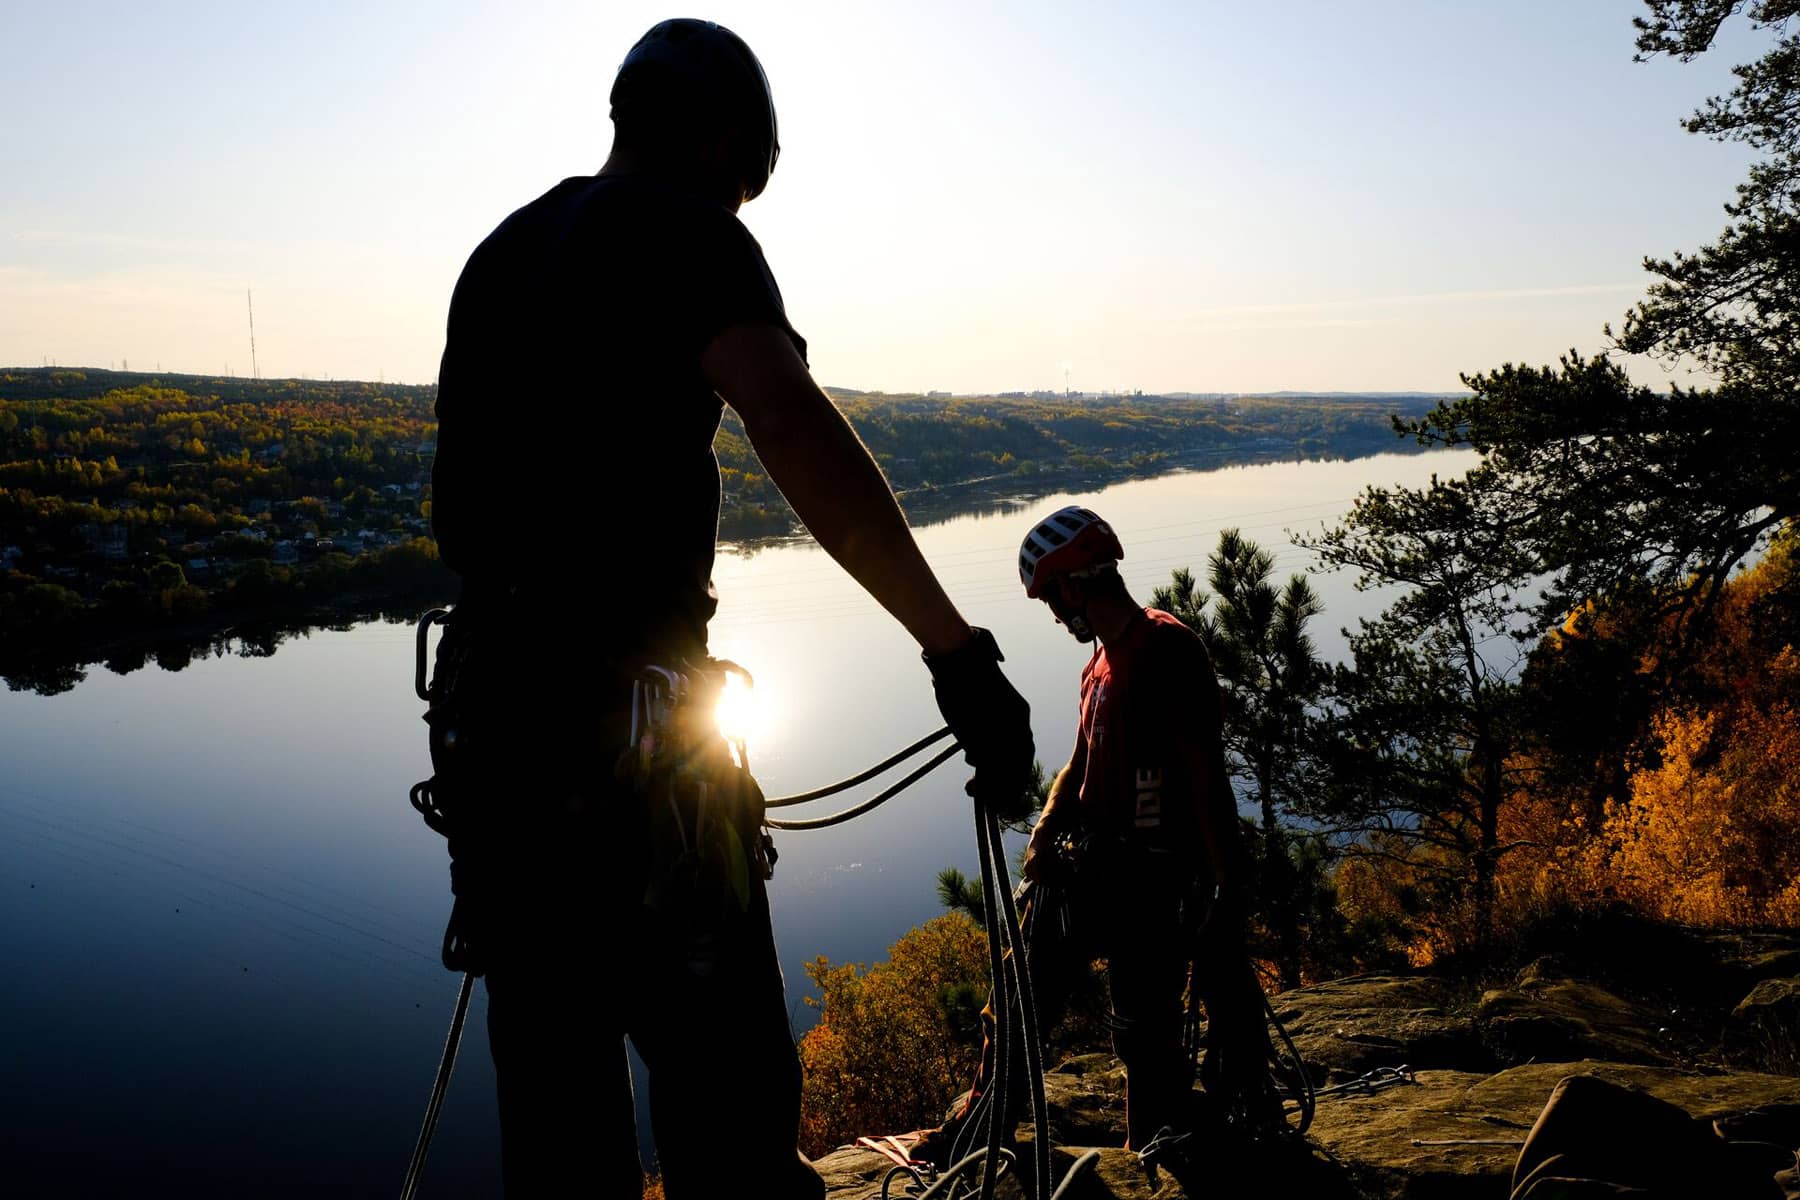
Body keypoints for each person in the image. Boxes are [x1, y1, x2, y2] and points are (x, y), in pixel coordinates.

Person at [425, 19, 1035, 1198]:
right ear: (722, 147)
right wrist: (953, 650)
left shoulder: (500, 252)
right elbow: (793, 428)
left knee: (557, 1110)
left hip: (494, 727)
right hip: (634, 740)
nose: (744, 206)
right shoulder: (693, 232)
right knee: (728, 1099)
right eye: (747, 184)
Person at [917, 505, 1274, 1169]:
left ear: (1074, 585)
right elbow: (1078, 764)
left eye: (1051, 597)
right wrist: (1047, 828)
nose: (1053, 614)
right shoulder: (1098, 667)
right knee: (1019, 998)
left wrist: (1225, 885)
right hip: (1091, 873)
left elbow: (1204, 772)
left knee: (1147, 1030)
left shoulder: (1164, 647)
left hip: (1155, 878)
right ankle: (979, 1128)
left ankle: (1154, 1150)